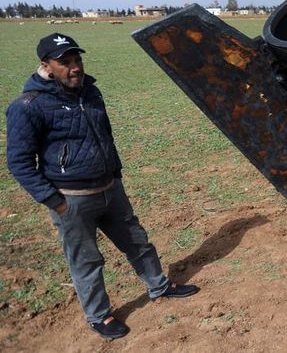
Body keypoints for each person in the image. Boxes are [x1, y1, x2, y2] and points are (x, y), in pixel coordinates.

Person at [5, 33, 199, 340]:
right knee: (87, 260)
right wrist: (54, 201)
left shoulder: (90, 93)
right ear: (46, 66)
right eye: (64, 62)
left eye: (77, 60)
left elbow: (105, 136)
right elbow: (18, 162)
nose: (74, 67)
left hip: (110, 188)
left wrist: (116, 174)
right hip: (72, 200)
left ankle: (159, 287)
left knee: (138, 241)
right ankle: (99, 316)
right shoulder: (28, 106)